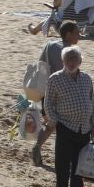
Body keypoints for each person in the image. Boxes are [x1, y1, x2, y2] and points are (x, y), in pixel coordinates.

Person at [43, 47, 94, 187]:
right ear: (63, 61)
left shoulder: (87, 79)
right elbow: (48, 104)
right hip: (66, 127)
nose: (71, 62)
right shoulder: (55, 79)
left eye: (74, 59)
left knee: (79, 166)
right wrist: (56, 122)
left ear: (80, 61)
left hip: (84, 128)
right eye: (68, 59)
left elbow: (92, 102)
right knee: (62, 165)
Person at [30, 20, 80, 166]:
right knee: (66, 127)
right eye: (77, 33)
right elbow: (68, 74)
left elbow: (40, 64)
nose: (79, 36)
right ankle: (66, 157)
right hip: (60, 95)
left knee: (51, 124)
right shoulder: (69, 52)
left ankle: (37, 147)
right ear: (69, 34)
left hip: (45, 92)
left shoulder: (50, 45)